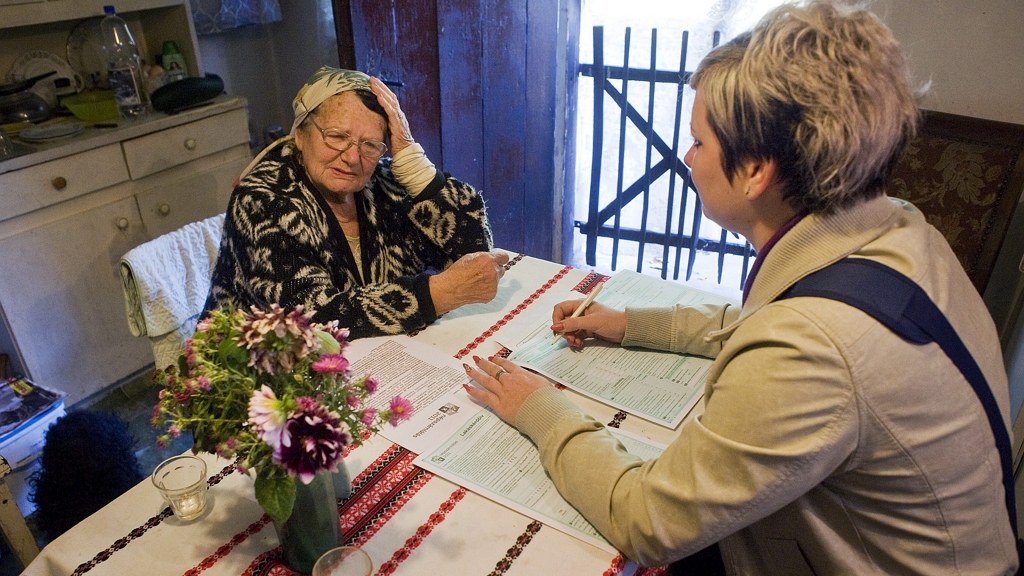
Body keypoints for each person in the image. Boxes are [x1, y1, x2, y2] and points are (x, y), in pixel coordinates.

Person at [464, 2, 1018, 574]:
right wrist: (630, 322)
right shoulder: (897, 225)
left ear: (756, 169)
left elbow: (648, 521)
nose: (687, 158)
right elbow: (783, 319)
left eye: (699, 142)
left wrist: (543, 409)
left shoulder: (813, 347)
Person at [204, 67, 508, 337]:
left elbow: (474, 249)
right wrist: (438, 293)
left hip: (373, 361)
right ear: (300, 135)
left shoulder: (385, 181)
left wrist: (414, 165)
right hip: (259, 377)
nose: (352, 158)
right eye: (336, 136)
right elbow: (310, 321)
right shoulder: (262, 200)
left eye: (370, 144)